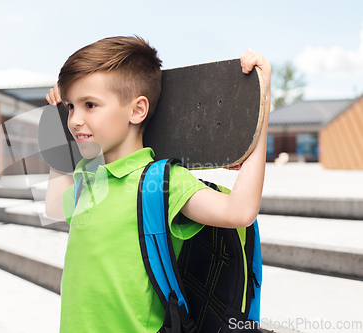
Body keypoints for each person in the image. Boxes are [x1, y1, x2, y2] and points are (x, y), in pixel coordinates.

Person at [45, 35, 271, 332]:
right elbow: (53, 208)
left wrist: (261, 107)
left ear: (137, 110)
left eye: (89, 105)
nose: (74, 120)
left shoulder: (160, 182)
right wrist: (53, 118)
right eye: (71, 108)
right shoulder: (88, 176)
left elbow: (238, 212)